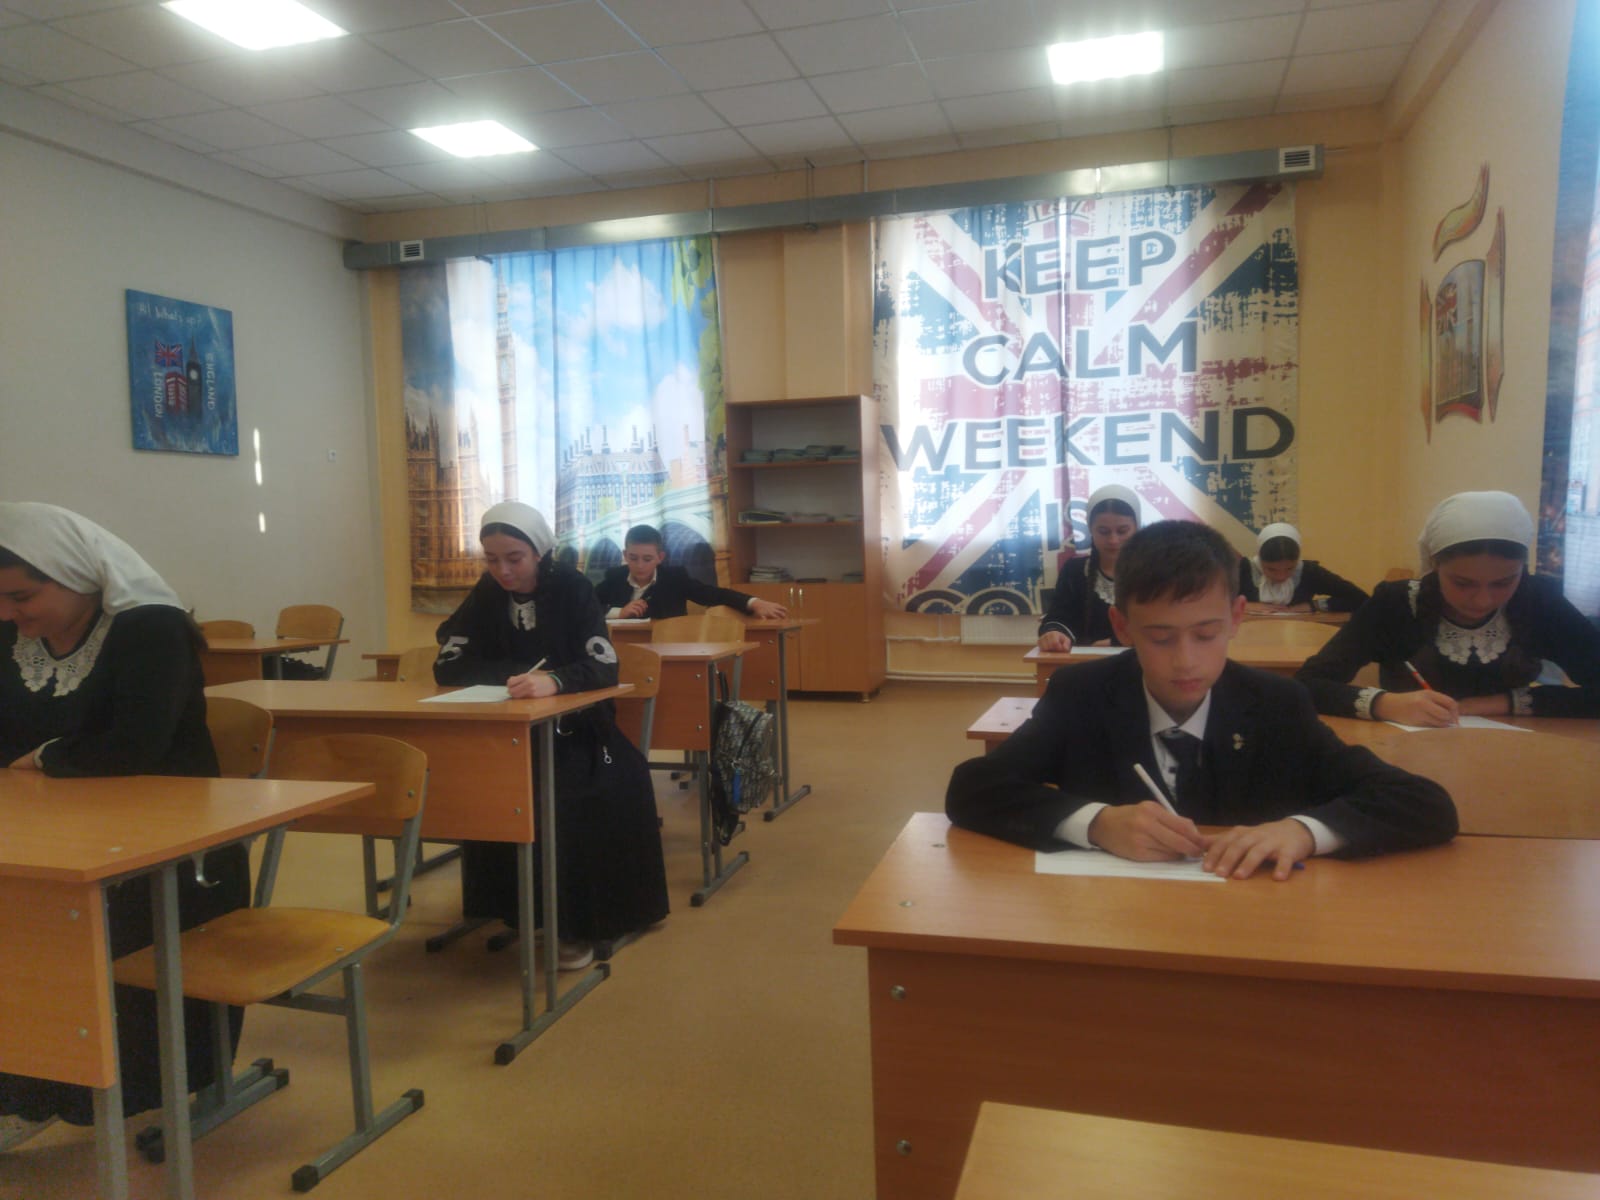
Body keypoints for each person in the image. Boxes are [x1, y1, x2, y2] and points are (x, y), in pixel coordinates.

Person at [949, 520, 1457, 879]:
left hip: (1244, 931)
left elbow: (1426, 805)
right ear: (1122, 626)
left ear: (1236, 617)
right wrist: (1096, 823)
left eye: (1206, 634)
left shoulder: (1277, 704)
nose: (1185, 661)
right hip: (1114, 926)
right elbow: (973, 789)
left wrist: (1304, 831)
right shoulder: (1081, 694)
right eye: (1160, 638)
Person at [0, 502, 248, 1150]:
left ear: (75, 574)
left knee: (96, 940)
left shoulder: (150, 627)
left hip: (169, 843)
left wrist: (44, 758)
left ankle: (108, 1087)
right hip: (46, 828)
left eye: (22, 596)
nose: (9, 612)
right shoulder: (12, 632)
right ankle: (28, 1083)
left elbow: (135, 745)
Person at [433, 502, 669, 969]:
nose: (502, 571)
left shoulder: (572, 588)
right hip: (507, 730)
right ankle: (510, 905)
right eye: (491, 559)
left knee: (564, 790)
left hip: (579, 731)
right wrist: (519, 676)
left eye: (514, 558)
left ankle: (575, 922)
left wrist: (556, 680)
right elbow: (448, 664)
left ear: (539, 552)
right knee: (483, 780)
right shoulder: (488, 591)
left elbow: (603, 666)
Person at [1297, 491, 1600, 724]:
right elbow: (1307, 684)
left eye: (1504, 582)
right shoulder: (1396, 604)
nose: (1483, 600)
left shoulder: (1539, 601)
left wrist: (1500, 703)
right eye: (1462, 583)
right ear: (1434, 565)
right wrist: (1384, 704)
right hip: (1407, 754)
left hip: (1517, 756)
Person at [595, 524, 788, 620]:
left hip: (668, 647)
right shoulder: (614, 577)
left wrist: (753, 602)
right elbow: (586, 605)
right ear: (625, 555)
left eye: (647, 559)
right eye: (633, 558)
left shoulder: (674, 578)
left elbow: (713, 594)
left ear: (660, 557)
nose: (639, 565)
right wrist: (619, 612)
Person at [1037, 484, 1140, 651]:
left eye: (1122, 531)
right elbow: (1058, 617)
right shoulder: (1075, 570)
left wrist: (1117, 642)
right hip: (1086, 661)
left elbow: (1166, 624)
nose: (1113, 540)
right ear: (1091, 530)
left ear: (1136, 528)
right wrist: (1054, 633)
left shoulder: (1156, 571)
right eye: (1103, 531)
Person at [1237, 523, 1369, 614]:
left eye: (1290, 569)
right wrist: (1244, 605)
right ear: (1260, 558)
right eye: (1271, 569)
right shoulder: (1242, 569)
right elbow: (1222, 602)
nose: (1281, 576)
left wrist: (1313, 605)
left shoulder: (1309, 572)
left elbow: (1359, 598)